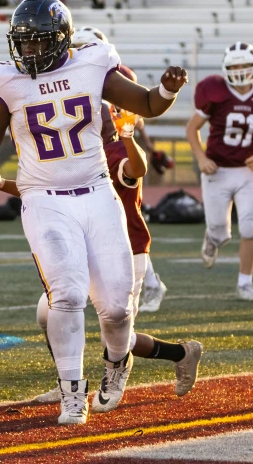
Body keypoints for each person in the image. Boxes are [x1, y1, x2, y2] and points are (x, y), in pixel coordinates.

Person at [0, 0, 187, 425]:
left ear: (61, 40)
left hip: (97, 192)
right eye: (22, 43)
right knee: (64, 295)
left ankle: (118, 363)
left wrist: (168, 89)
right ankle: (72, 393)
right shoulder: (4, 81)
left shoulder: (91, 63)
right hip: (44, 199)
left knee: (117, 309)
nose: (27, 52)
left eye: (36, 42)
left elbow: (149, 104)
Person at [0, 107, 203, 405]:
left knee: (115, 330)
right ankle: (67, 382)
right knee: (48, 312)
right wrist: (1, 185)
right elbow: (45, 192)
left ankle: (181, 354)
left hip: (125, 248)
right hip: (83, 247)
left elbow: (136, 170)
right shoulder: (77, 153)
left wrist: (127, 137)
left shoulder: (113, 151)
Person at [70, 26, 167, 312]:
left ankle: (147, 283)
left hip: (116, 150)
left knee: (125, 215)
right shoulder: (68, 76)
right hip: (87, 152)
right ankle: (145, 283)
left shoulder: (119, 76)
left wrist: (142, 145)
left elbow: (134, 116)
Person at [185, 42, 253, 302]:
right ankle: (212, 238)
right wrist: (201, 158)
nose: (240, 71)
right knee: (221, 232)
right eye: (235, 66)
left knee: (250, 228)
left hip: (247, 170)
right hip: (217, 170)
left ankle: (245, 284)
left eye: (245, 65)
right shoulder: (214, 90)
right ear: (226, 68)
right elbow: (191, 128)